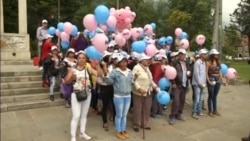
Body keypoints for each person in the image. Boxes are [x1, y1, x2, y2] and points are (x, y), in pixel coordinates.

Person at [64, 51, 97, 141]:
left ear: (86, 59)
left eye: (83, 58)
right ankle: (73, 136)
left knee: (84, 115)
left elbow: (99, 74)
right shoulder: (73, 69)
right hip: (76, 94)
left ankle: (82, 132)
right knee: (76, 116)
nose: (81, 59)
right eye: (79, 58)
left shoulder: (88, 68)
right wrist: (71, 78)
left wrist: (98, 65)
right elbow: (66, 81)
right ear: (77, 59)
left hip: (87, 93)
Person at [105, 53, 136, 140]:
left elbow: (132, 82)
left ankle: (123, 129)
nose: (124, 63)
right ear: (118, 63)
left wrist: (135, 79)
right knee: (119, 114)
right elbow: (109, 82)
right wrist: (107, 75)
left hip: (128, 96)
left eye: (125, 62)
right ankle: (118, 131)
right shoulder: (115, 72)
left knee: (124, 114)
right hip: (118, 96)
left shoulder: (129, 71)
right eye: (121, 62)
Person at [132, 53, 159, 132]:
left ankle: (145, 123)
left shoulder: (147, 68)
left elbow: (150, 79)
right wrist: (139, 88)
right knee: (138, 109)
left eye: (149, 60)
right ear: (141, 60)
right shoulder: (136, 68)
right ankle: (136, 124)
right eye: (147, 60)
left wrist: (155, 86)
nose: (149, 61)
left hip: (148, 91)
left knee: (147, 108)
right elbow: (133, 80)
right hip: (139, 92)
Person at [169, 49, 191, 125]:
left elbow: (188, 70)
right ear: (178, 55)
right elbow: (171, 73)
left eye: (183, 54)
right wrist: (173, 83)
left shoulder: (186, 62)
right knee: (176, 101)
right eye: (180, 54)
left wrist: (189, 73)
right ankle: (172, 116)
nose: (182, 56)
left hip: (184, 84)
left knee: (182, 101)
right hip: (177, 85)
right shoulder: (174, 63)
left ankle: (179, 114)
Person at [97, 51, 115, 131]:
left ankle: (114, 118)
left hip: (112, 87)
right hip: (104, 87)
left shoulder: (112, 66)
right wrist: (104, 66)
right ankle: (105, 122)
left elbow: (112, 76)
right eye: (109, 56)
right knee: (105, 105)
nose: (111, 58)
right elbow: (105, 75)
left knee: (114, 104)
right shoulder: (99, 66)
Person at [206, 49, 226, 117]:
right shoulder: (208, 63)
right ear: (212, 55)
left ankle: (215, 110)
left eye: (217, 54)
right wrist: (208, 81)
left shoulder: (218, 62)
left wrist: (222, 80)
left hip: (217, 80)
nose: (217, 55)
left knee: (215, 96)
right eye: (216, 54)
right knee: (210, 96)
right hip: (211, 79)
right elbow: (206, 73)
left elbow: (220, 71)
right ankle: (210, 111)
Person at [191, 49, 208, 119]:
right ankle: (194, 112)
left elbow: (204, 74)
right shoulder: (197, 63)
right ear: (201, 55)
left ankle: (199, 111)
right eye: (204, 54)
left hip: (202, 83)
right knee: (197, 99)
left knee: (201, 98)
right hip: (197, 84)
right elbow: (196, 74)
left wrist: (204, 83)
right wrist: (199, 83)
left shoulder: (204, 63)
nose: (206, 55)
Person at [149, 53, 167, 118]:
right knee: (156, 99)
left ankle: (159, 111)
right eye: (163, 59)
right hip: (156, 84)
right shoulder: (157, 66)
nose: (164, 60)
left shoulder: (158, 66)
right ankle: (154, 112)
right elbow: (156, 76)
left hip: (159, 84)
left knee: (158, 98)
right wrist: (156, 86)